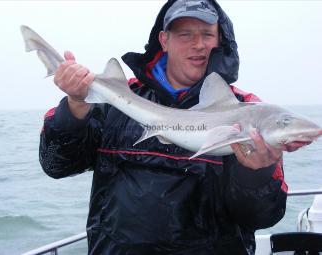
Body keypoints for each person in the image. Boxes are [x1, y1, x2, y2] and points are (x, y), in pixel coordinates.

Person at [39, 0, 289, 254]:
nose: (199, 44)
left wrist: (256, 174)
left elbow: (262, 216)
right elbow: (55, 165)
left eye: (207, 34)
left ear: (220, 40)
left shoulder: (248, 112)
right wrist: (76, 105)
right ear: (164, 39)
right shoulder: (115, 103)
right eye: (185, 34)